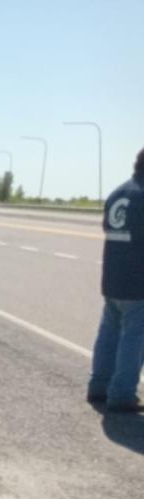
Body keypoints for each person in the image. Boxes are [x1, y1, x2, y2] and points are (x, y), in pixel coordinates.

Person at [87, 148, 144, 413]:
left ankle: (99, 386)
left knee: (109, 331)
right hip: (137, 283)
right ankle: (121, 394)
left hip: (113, 278)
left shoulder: (117, 194)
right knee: (134, 336)